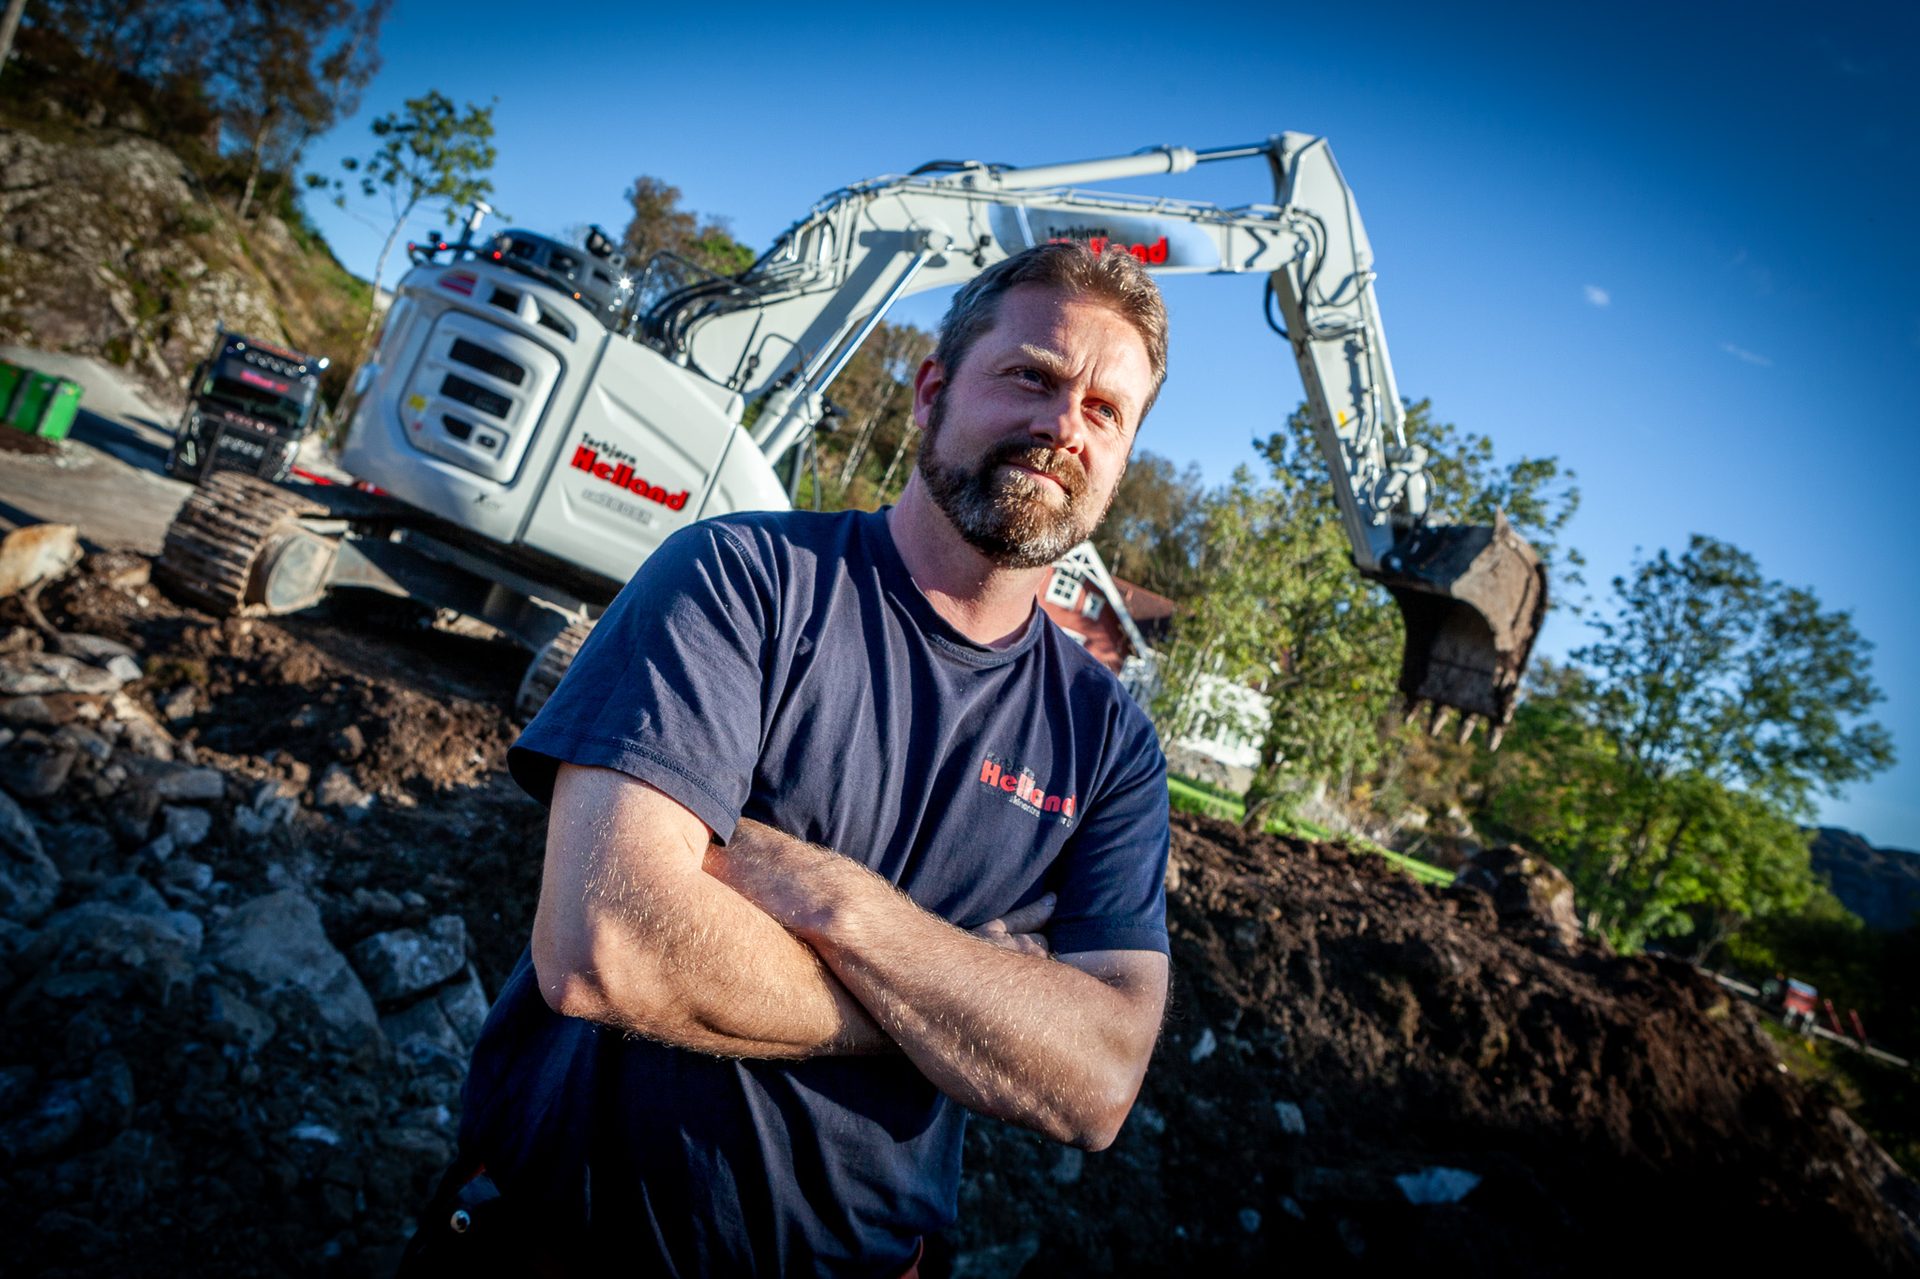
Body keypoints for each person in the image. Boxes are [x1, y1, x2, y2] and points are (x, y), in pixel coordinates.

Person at [403, 242, 1174, 1276]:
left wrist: (832, 902)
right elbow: (611, 943)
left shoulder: (1110, 745)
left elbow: (1096, 1080)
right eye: (1031, 376)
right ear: (932, 391)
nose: (1062, 425)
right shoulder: (743, 582)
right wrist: (963, 1005)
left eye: (1105, 409)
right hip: (550, 1245)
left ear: (1121, 458)